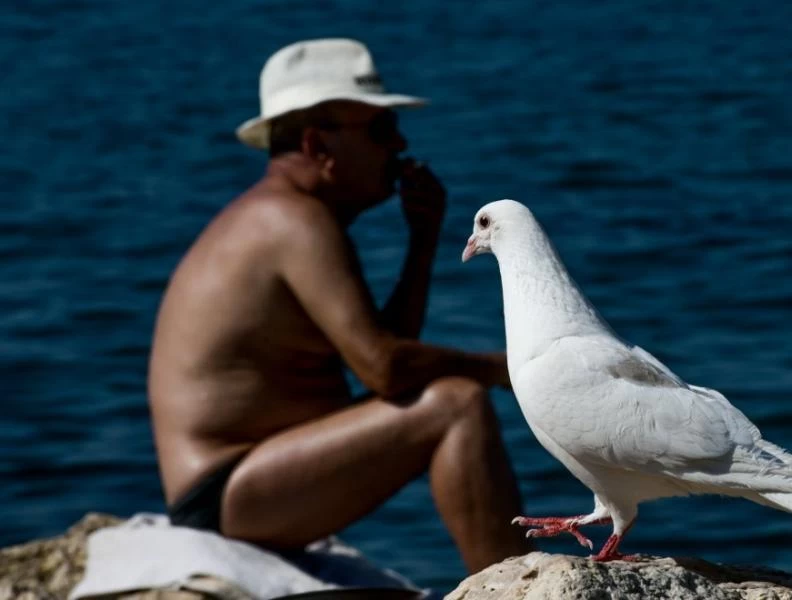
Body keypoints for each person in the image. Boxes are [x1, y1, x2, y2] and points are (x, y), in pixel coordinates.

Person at [147, 38, 533, 574]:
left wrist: (422, 241)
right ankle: (517, 586)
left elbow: (387, 363)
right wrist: (504, 368)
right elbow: (388, 369)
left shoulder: (287, 215)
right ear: (316, 145)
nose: (398, 144)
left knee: (447, 398)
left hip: (244, 479)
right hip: (223, 492)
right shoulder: (293, 221)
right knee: (457, 405)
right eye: (379, 130)